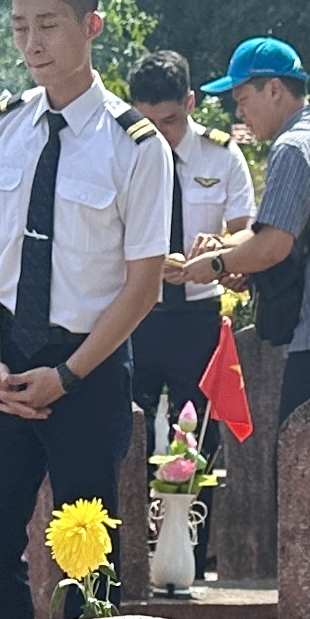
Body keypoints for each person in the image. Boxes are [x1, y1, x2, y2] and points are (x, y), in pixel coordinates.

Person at [0, 0, 175, 619]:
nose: (32, 42)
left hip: (89, 367)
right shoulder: (1, 129)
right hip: (7, 362)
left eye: (48, 23)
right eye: (20, 25)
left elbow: (142, 286)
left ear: (92, 26)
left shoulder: (136, 146)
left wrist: (69, 374)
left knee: (88, 557)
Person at [179, 37, 310, 405]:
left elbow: (272, 246)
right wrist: (225, 246)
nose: (240, 113)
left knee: (299, 459)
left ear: (274, 90)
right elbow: (268, 231)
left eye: (243, 100)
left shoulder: (293, 147)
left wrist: (215, 265)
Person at [123, 48, 253, 432]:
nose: (159, 136)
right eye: (147, 123)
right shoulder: (121, 155)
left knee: (197, 434)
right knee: (129, 433)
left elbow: (245, 230)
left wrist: (218, 249)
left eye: (170, 121)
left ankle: (196, 498)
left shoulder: (222, 155)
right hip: (133, 314)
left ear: (190, 103)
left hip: (197, 317)